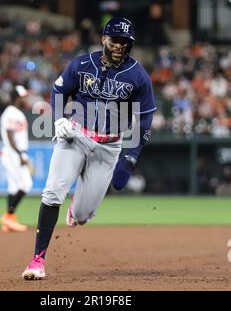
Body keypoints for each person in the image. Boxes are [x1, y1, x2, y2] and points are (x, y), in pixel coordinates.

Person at [22, 17, 157, 280]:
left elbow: (145, 119)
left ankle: (76, 210)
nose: (120, 46)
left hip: (109, 147)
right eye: (115, 40)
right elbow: (59, 91)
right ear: (104, 39)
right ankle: (37, 261)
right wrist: (59, 118)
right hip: (76, 137)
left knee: (82, 216)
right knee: (52, 193)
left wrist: (130, 157)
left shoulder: (138, 75)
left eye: (125, 42)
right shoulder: (82, 64)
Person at [0, 85, 33, 232]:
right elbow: (9, 134)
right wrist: (20, 155)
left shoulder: (15, 112)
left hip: (15, 152)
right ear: (17, 98)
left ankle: (9, 221)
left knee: (14, 187)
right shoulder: (11, 113)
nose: (25, 99)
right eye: (23, 96)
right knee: (26, 184)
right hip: (13, 153)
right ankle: (8, 215)